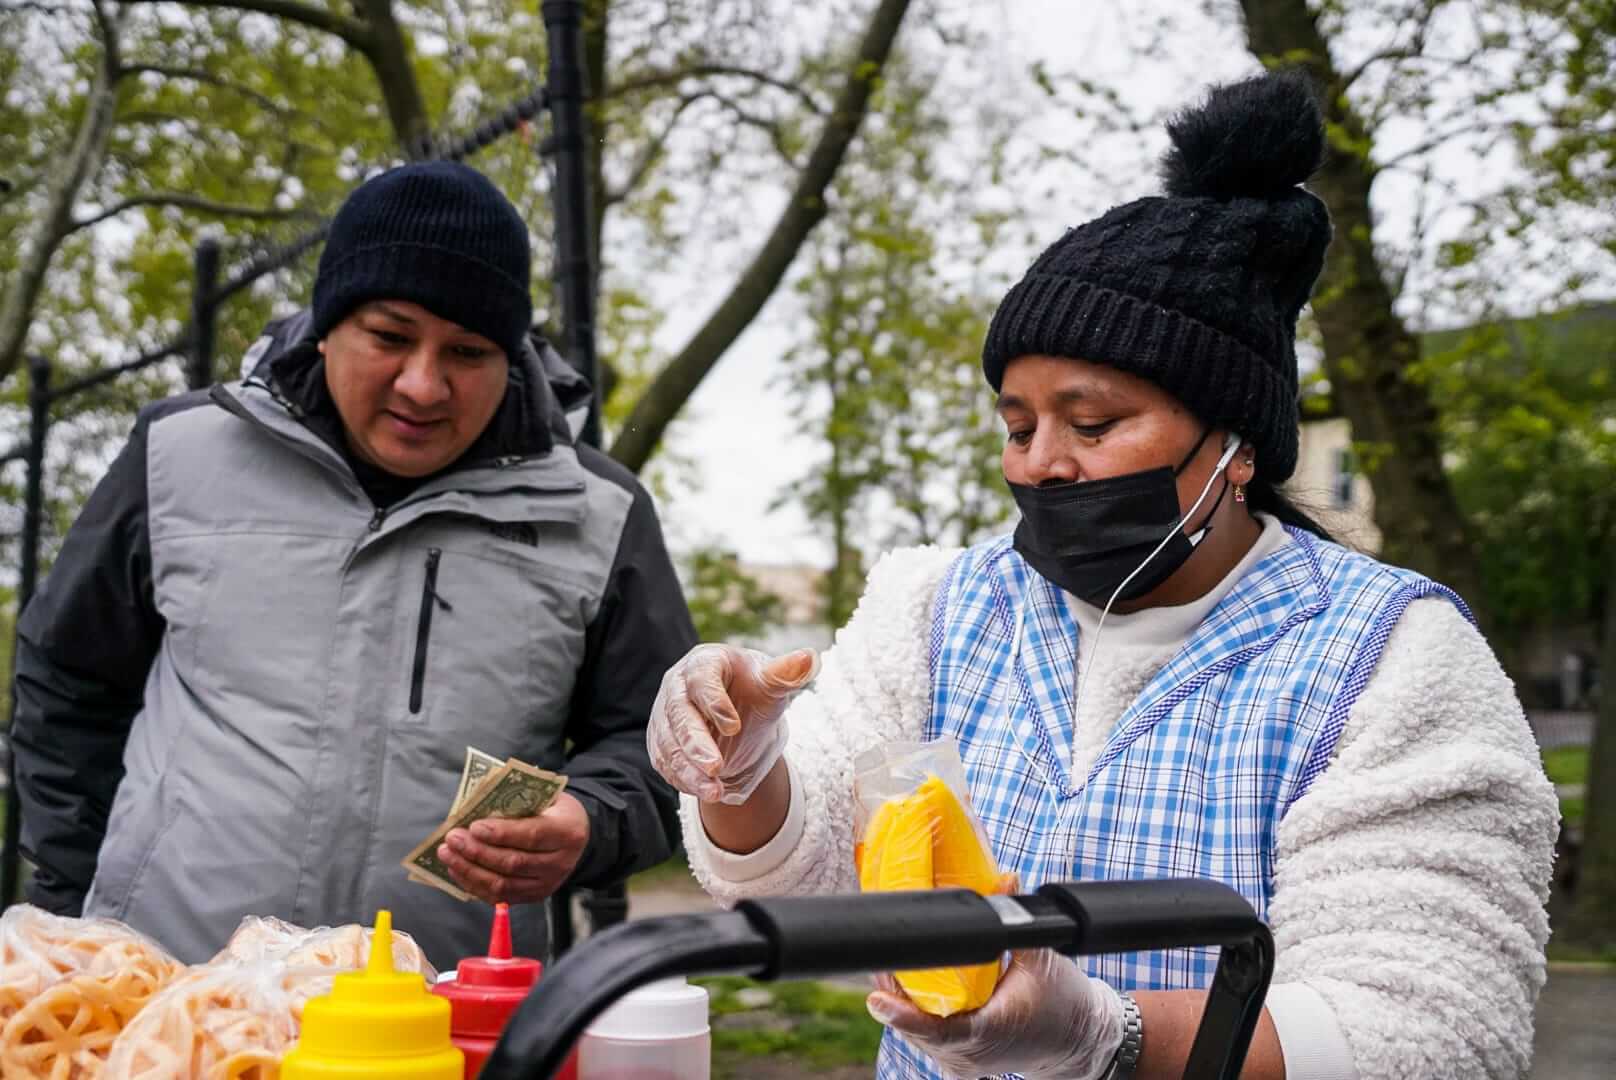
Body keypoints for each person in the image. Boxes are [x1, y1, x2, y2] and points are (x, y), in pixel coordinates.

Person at [648, 72, 1558, 1080]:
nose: (1039, 463)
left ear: (1235, 445)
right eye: (1015, 425)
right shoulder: (940, 607)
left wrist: (1100, 1034)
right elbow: (813, 883)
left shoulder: (1387, 660)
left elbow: (1430, 1035)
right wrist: (743, 770)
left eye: (1091, 424)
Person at [12, 161, 696, 968]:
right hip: (171, 1000)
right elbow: (66, 685)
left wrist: (588, 819)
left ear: (510, 358)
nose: (423, 384)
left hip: (442, 1017)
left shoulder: (599, 513)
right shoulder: (175, 455)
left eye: (468, 351)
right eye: (390, 336)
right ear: (330, 323)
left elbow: (668, 746)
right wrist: (78, 917)